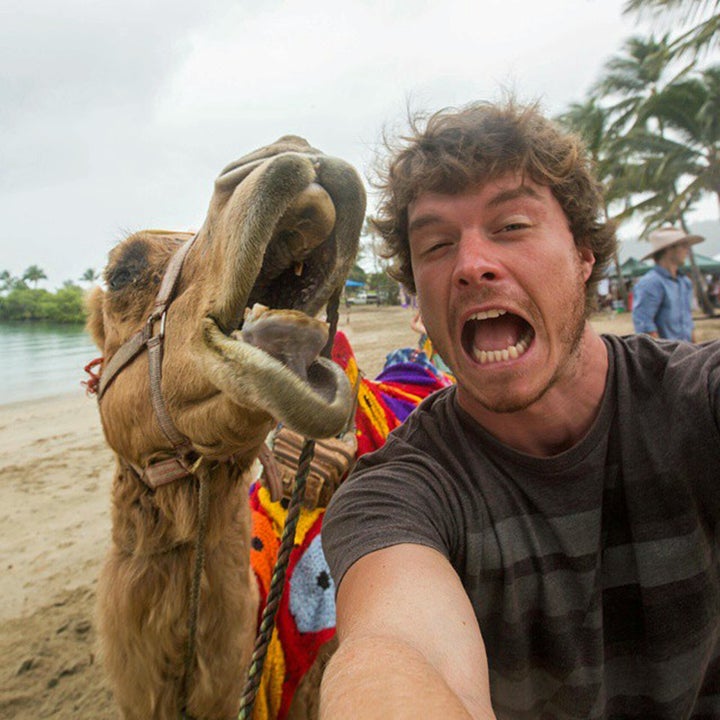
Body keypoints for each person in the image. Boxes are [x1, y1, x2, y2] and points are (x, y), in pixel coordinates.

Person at [319, 100, 720, 719]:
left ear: (584, 254)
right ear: (417, 296)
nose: (471, 265)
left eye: (511, 227)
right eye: (436, 244)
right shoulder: (396, 494)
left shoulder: (697, 403)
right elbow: (393, 651)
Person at [631, 226, 704, 342]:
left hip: (686, 352)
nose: (687, 250)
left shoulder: (684, 282)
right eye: (684, 246)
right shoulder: (651, 283)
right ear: (669, 249)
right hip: (666, 356)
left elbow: (687, 322)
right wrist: (664, 356)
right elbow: (645, 326)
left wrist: (694, 351)